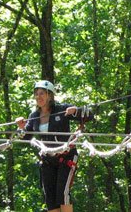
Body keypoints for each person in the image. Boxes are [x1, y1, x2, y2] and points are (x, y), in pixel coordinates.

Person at [15, 80, 93, 212]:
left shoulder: (61, 110)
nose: (38, 97)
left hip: (66, 156)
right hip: (48, 160)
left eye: (42, 94)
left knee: (63, 194)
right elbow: (26, 137)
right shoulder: (34, 116)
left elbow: (89, 115)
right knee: (50, 199)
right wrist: (21, 128)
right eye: (36, 94)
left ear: (49, 96)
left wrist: (76, 111)